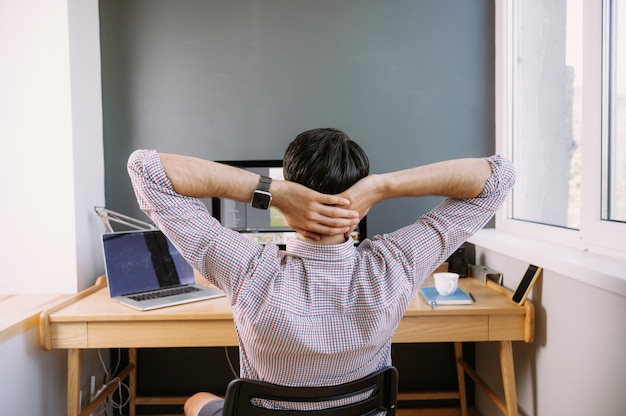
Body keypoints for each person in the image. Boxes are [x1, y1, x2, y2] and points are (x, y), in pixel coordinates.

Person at [127, 127, 515, 416]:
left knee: (197, 401)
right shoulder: (396, 264)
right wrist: (383, 186)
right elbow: (498, 179)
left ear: (291, 199)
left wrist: (273, 192)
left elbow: (145, 169)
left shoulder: (247, 269)